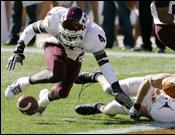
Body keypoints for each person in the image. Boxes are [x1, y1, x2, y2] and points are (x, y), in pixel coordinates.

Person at [5, 6, 135, 117]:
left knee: (62, 92)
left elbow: (103, 62)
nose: (70, 33)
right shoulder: (54, 19)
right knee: (56, 73)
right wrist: (19, 50)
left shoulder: (94, 35)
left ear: (84, 27)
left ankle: (43, 101)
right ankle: (23, 82)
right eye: (66, 29)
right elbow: (32, 28)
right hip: (56, 43)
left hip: (75, 53)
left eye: (74, 30)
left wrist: (116, 88)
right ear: (60, 22)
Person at [74, 72, 175, 122]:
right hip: (149, 87)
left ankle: (98, 107)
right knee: (110, 89)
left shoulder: (171, 115)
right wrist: (136, 105)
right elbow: (148, 80)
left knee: (110, 109)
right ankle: (97, 76)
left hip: (156, 109)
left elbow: (146, 112)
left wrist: (136, 110)